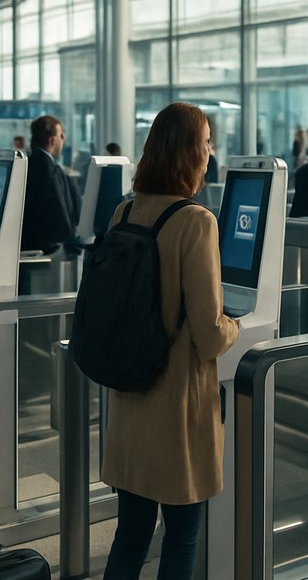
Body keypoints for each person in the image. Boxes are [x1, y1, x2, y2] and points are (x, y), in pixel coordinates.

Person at [101, 102, 240, 579]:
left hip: (129, 400)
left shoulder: (124, 212)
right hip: (178, 409)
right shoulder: (196, 222)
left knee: (131, 535)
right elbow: (208, 334)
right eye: (205, 142)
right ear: (186, 153)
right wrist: (237, 325)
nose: (210, 151)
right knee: (181, 536)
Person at [22, 115, 81, 254]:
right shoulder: (49, 171)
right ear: (52, 140)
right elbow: (60, 213)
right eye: (61, 135)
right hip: (45, 251)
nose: (63, 139)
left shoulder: (26, 164)